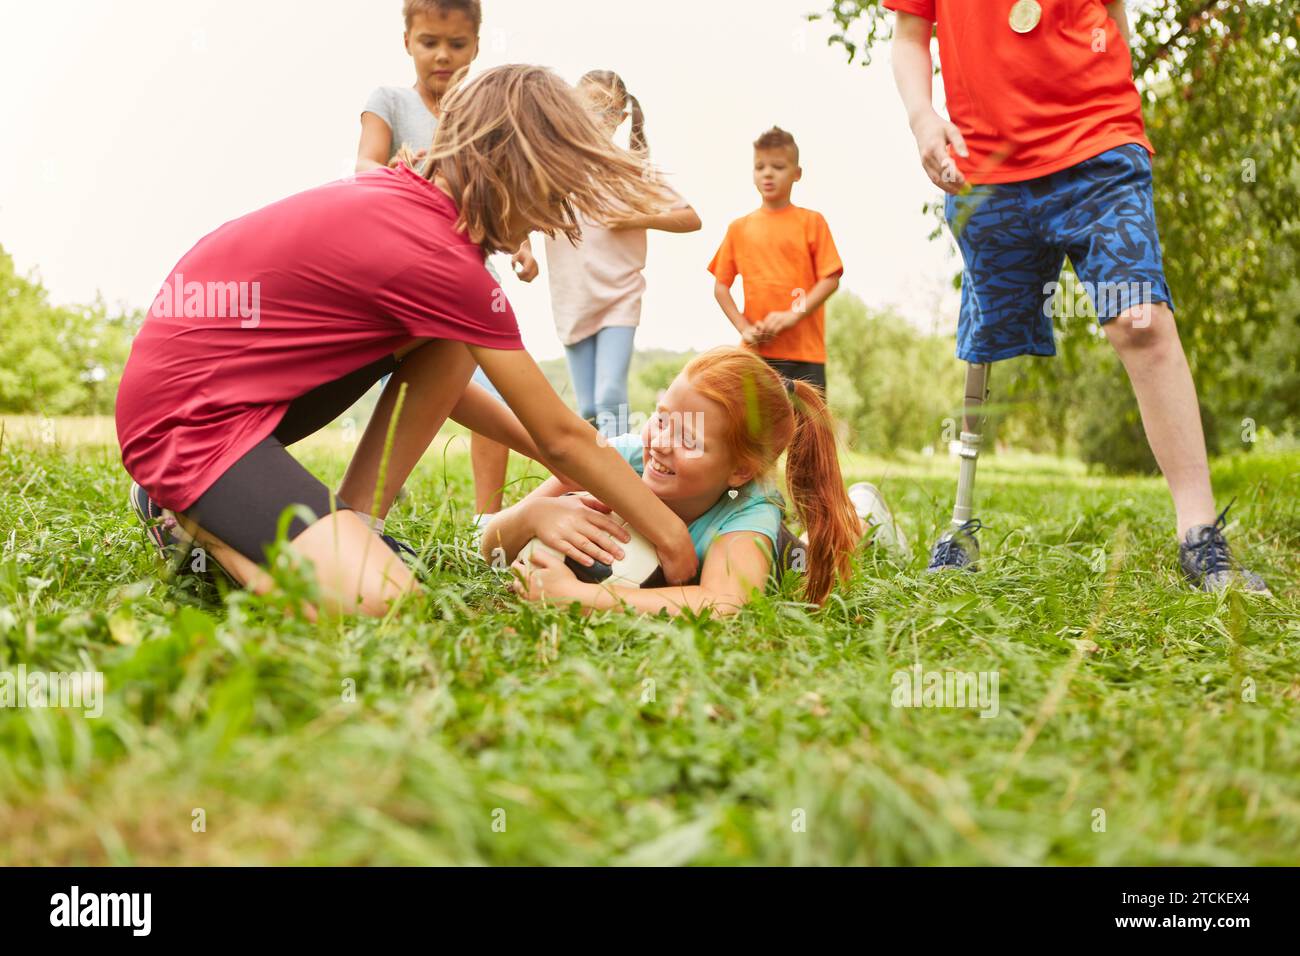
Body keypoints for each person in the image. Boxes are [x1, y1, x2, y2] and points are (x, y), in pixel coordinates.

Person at [118, 65, 699, 618]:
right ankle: (188, 519)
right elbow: (563, 435)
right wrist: (672, 539)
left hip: (236, 397)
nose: (549, 221)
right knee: (387, 602)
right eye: (553, 196)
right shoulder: (439, 258)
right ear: (519, 167)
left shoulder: (418, 210)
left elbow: (467, 396)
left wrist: (560, 464)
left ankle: (355, 523)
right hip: (190, 425)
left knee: (451, 344)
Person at [885, 0, 1268, 593]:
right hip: (987, 162)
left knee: (1139, 319)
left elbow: (1112, 15)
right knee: (985, 337)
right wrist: (921, 118)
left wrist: (1110, 93)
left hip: (1097, 145)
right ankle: (960, 526)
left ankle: (1199, 535)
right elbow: (910, 32)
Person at [493, 347, 906, 617]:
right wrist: (532, 515)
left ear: (739, 472)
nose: (661, 444)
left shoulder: (748, 511)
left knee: (824, 549)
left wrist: (584, 599)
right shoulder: (622, 455)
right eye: (662, 418)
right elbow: (490, 546)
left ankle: (866, 514)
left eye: (689, 439)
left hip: (781, 556)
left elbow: (725, 603)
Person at [354, 0, 538, 522]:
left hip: (471, 272)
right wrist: (393, 168)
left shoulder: (485, 116)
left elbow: (501, 194)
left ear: (476, 46)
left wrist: (521, 245)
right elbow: (364, 163)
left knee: (489, 386)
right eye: (429, 42)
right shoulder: (388, 101)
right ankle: (376, 498)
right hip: (405, 272)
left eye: (456, 45)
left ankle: (488, 516)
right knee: (409, 387)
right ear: (408, 42)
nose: (442, 55)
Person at [708, 126, 844, 395]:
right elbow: (720, 287)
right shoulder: (739, 227)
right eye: (760, 167)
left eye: (778, 166)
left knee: (808, 432)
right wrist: (743, 328)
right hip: (756, 355)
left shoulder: (811, 222)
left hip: (805, 354)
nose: (768, 173)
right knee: (756, 433)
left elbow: (830, 279)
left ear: (797, 174)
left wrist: (793, 314)